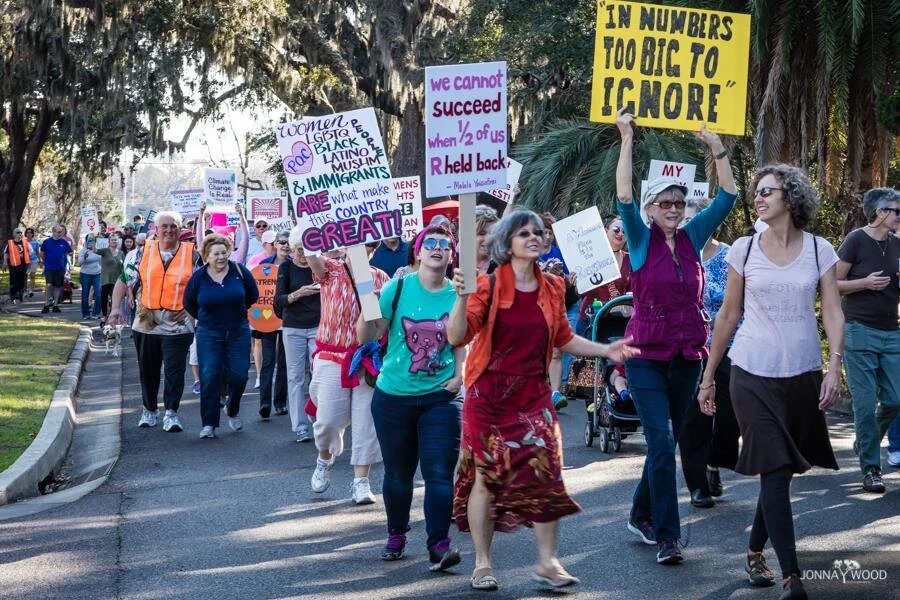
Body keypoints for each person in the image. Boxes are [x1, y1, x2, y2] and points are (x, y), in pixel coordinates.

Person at [447, 209, 638, 591]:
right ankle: (483, 563)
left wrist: (605, 350)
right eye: (524, 233)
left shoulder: (552, 286)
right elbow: (456, 336)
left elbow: (563, 337)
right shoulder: (487, 286)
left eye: (537, 232)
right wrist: (460, 298)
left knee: (548, 472)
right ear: (507, 243)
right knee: (487, 475)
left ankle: (548, 562)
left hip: (533, 395)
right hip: (489, 396)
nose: (533, 237)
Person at [698, 164, 842, 599]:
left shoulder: (819, 249)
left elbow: (832, 310)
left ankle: (755, 548)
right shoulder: (744, 249)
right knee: (775, 467)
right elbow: (729, 315)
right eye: (757, 192)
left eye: (767, 191)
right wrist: (709, 375)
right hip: (750, 371)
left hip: (801, 374)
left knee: (780, 471)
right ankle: (792, 577)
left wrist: (834, 366)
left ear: (791, 197)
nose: (758, 198)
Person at [614, 107, 737, 565]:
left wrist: (715, 146)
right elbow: (623, 195)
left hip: (687, 355)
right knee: (662, 443)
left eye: (678, 204)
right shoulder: (639, 238)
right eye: (664, 203)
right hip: (645, 356)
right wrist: (627, 137)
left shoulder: (693, 236)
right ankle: (668, 537)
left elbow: (728, 195)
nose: (672, 209)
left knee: (668, 443)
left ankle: (639, 512)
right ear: (651, 209)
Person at [357, 224, 466, 571]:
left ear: (451, 255)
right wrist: (366, 303)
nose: (437, 247)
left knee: (439, 473)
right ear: (418, 252)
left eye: (445, 244)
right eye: (429, 243)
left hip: (440, 397)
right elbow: (368, 335)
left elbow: (461, 340)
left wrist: (460, 375)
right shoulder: (398, 287)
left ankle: (439, 545)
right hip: (393, 396)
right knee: (398, 474)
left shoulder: (458, 293)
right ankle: (397, 533)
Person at [305, 246, 389, 504]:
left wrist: (372, 300)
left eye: (368, 245)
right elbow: (311, 256)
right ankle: (324, 457)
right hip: (332, 355)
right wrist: (305, 229)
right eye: (356, 244)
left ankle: (361, 482)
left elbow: (382, 322)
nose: (362, 249)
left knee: (366, 422)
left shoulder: (381, 278)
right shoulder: (330, 269)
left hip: (367, 358)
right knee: (328, 420)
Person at [835, 187, 900, 493]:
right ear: (879, 212)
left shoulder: (898, 244)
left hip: (892, 332)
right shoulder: (855, 240)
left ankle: (865, 440)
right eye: (896, 211)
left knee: (896, 399)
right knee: (864, 403)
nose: (899, 216)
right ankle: (872, 469)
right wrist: (864, 283)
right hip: (859, 329)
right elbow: (831, 283)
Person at [677, 197, 741, 509]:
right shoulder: (673, 256)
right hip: (688, 348)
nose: (690, 225)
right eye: (685, 220)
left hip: (728, 345)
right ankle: (698, 485)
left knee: (731, 414)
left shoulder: (730, 256)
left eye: (695, 218)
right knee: (694, 419)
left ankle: (715, 461)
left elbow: (738, 304)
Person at [108, 211, 197, 432]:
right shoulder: (141, 253)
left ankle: (171, 413)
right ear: (156, 230)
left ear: (180, 230)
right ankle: (149, 410)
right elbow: (123, 281)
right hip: (146, 324)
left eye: (174, 226)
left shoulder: (192, 255)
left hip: (179, 326)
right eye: (164, 226)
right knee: (148, 371)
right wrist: (115, 309)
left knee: (175, 372)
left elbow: (203, 284)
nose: (169, 230)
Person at [183, 234, 259, 438]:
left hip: (238, 331)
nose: (221, 257)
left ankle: (232, 409)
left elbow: (252, 295)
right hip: (209, 333)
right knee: (209, 376)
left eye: (224, 252)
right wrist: (207, 318)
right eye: (216, 254)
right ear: (206, 256)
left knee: (240, 375)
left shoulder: (239, 271)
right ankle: (209, 423)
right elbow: (189, 303)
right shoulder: (198, 277)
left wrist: (235, 311)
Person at [274, 228, 322, 443]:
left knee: (318, 375)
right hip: (293, 327)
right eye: (299, 250)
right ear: (292, 249)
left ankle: (319, 418)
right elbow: (279, 301)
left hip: (318, 326)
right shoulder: (286, 267)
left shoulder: (319, 266)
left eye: (307, 250)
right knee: (295, 377)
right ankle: (300, 426)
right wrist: (298, 294)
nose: (303, 254)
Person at [256, 229, 290, 419]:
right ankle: (264, 403)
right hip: (267, 319)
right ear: (275, 244)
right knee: (268, 361)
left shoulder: (295, 265)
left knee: (284, 363)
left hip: (288, 319)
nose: (285, 245)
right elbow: (258, 293)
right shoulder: (264, 265)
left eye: (288, 242)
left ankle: (280, 402)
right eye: (281, 242)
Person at [39, 224, 73, 314]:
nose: (59, 234)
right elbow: (41, 253)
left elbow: (69, 252)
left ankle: (55, 305)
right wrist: (45, 261)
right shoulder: (47, 242)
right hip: (49, 267)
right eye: (58, 232)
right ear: (53, 232)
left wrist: (64, 260)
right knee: (49, 284)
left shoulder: (64, 242)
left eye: (61, 232)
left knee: (58, 286)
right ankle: (46, 304)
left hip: (60, 267)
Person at [97, 233, 125, 326]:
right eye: (112, 240)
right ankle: (104, 316)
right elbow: (94, 250)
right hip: (106, 279)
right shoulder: (105, 251)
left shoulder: (121, 253)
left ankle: (112, 318)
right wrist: (92, 239)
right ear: (109, 241)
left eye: (115, 240)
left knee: (115, 300)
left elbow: (123, 267)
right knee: (104, 299)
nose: (114, 241)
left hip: (117, 280)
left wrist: (125, 279)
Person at [77, 235, 102, 320]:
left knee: (99, 294)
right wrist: (84, 257)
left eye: (92, 240)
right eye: (89, 240)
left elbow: (102, 261)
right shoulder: (83, 250)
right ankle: (86, 313)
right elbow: (79, 263)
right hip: (85, 274)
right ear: (86, 241)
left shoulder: (98, 250)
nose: (91, 242)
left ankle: (96, 313)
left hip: (97, 274)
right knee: (85, 294)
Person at [3, 227, 31, 303]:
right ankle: (13, 296)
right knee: (13, 281)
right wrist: (5, 263)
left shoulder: (25, 243)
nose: (20, 234)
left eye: (21, 232)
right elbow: (6, 253)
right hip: (13, 265)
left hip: (23, 265)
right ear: (14, 234)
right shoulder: (10, 243)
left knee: (21, 281)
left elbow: (30, 252)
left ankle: (20, 295)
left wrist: (29, 262)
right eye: (18, 232)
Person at [475, 205, 500, 276]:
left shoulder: (502, 268)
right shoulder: (455, 265)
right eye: (482, 233)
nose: (489, 239)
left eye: (492, 233)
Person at [24, 227, 40, 297]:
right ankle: (24, 290)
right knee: (25, 276)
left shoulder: (35, 242)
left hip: (34, 260)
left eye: (30, 232)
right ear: (26, 234)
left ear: (32, 234)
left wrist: (40, 260)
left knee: (32, 275)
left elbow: (37, 252)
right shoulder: (23, 241)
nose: (29, 234)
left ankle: (31, 290)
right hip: (25, 261)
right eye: (27, 232)